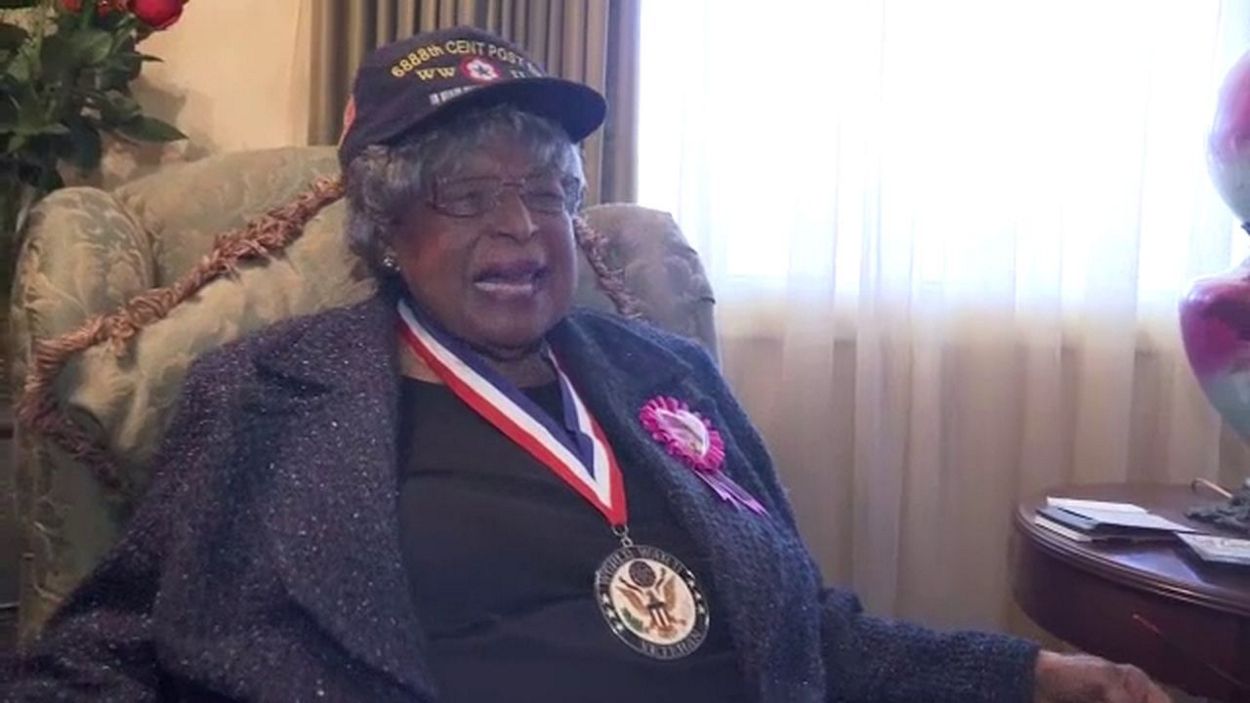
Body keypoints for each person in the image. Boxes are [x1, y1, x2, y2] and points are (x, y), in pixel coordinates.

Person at [3, 26, 1171, 703]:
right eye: (468, 195)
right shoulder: (266, 394)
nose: (520, 228)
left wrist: (1031, 674)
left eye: (546, 191)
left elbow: (801, 629)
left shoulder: (667, 376)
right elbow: (113, 651)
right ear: (387, 228)